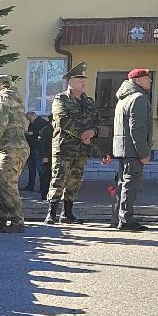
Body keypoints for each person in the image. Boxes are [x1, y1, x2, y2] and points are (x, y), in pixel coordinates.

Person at [46, 62, 99, 224]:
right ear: (69, 82)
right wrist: (82, 133)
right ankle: (52, 213)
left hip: (82, 149)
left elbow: (97, 121)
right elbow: (62, 120)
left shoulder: (88, 102)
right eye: (79, 80)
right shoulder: (60, 99)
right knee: (58, 179)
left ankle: (67, 213)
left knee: (75, 180)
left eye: (84, 80)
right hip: (64, 147)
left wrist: (93, 132)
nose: (83, 83)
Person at [111, 68, 155, 231]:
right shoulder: (138, 98)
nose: (150, 81)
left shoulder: (124, 98)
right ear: (137, 81)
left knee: (122, 184)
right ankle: (126, 219)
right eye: (147, 78)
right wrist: (143, 152)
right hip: (133, 151)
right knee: (130, 185)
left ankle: (117, 218)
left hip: (123, 149)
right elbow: (137, 128)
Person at [0, 73, 29, 233]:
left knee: (7, 184)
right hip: (18, 146)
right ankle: (1, 217)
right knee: (5, 183)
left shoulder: (2, 99)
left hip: (11, 147)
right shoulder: (15, 99)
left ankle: (18, 222)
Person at [24, 109, 52, 193]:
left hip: (37, 149)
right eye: (28, 120)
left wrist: (32, 133)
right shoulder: (32, 123)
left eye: (30, 119)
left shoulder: (41, 122)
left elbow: (42, 134)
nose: (29, 121)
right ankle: (30, 185)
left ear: (33, 115)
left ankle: (42, 187)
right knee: (31, 168)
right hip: (31, 148)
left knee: (40, 169)